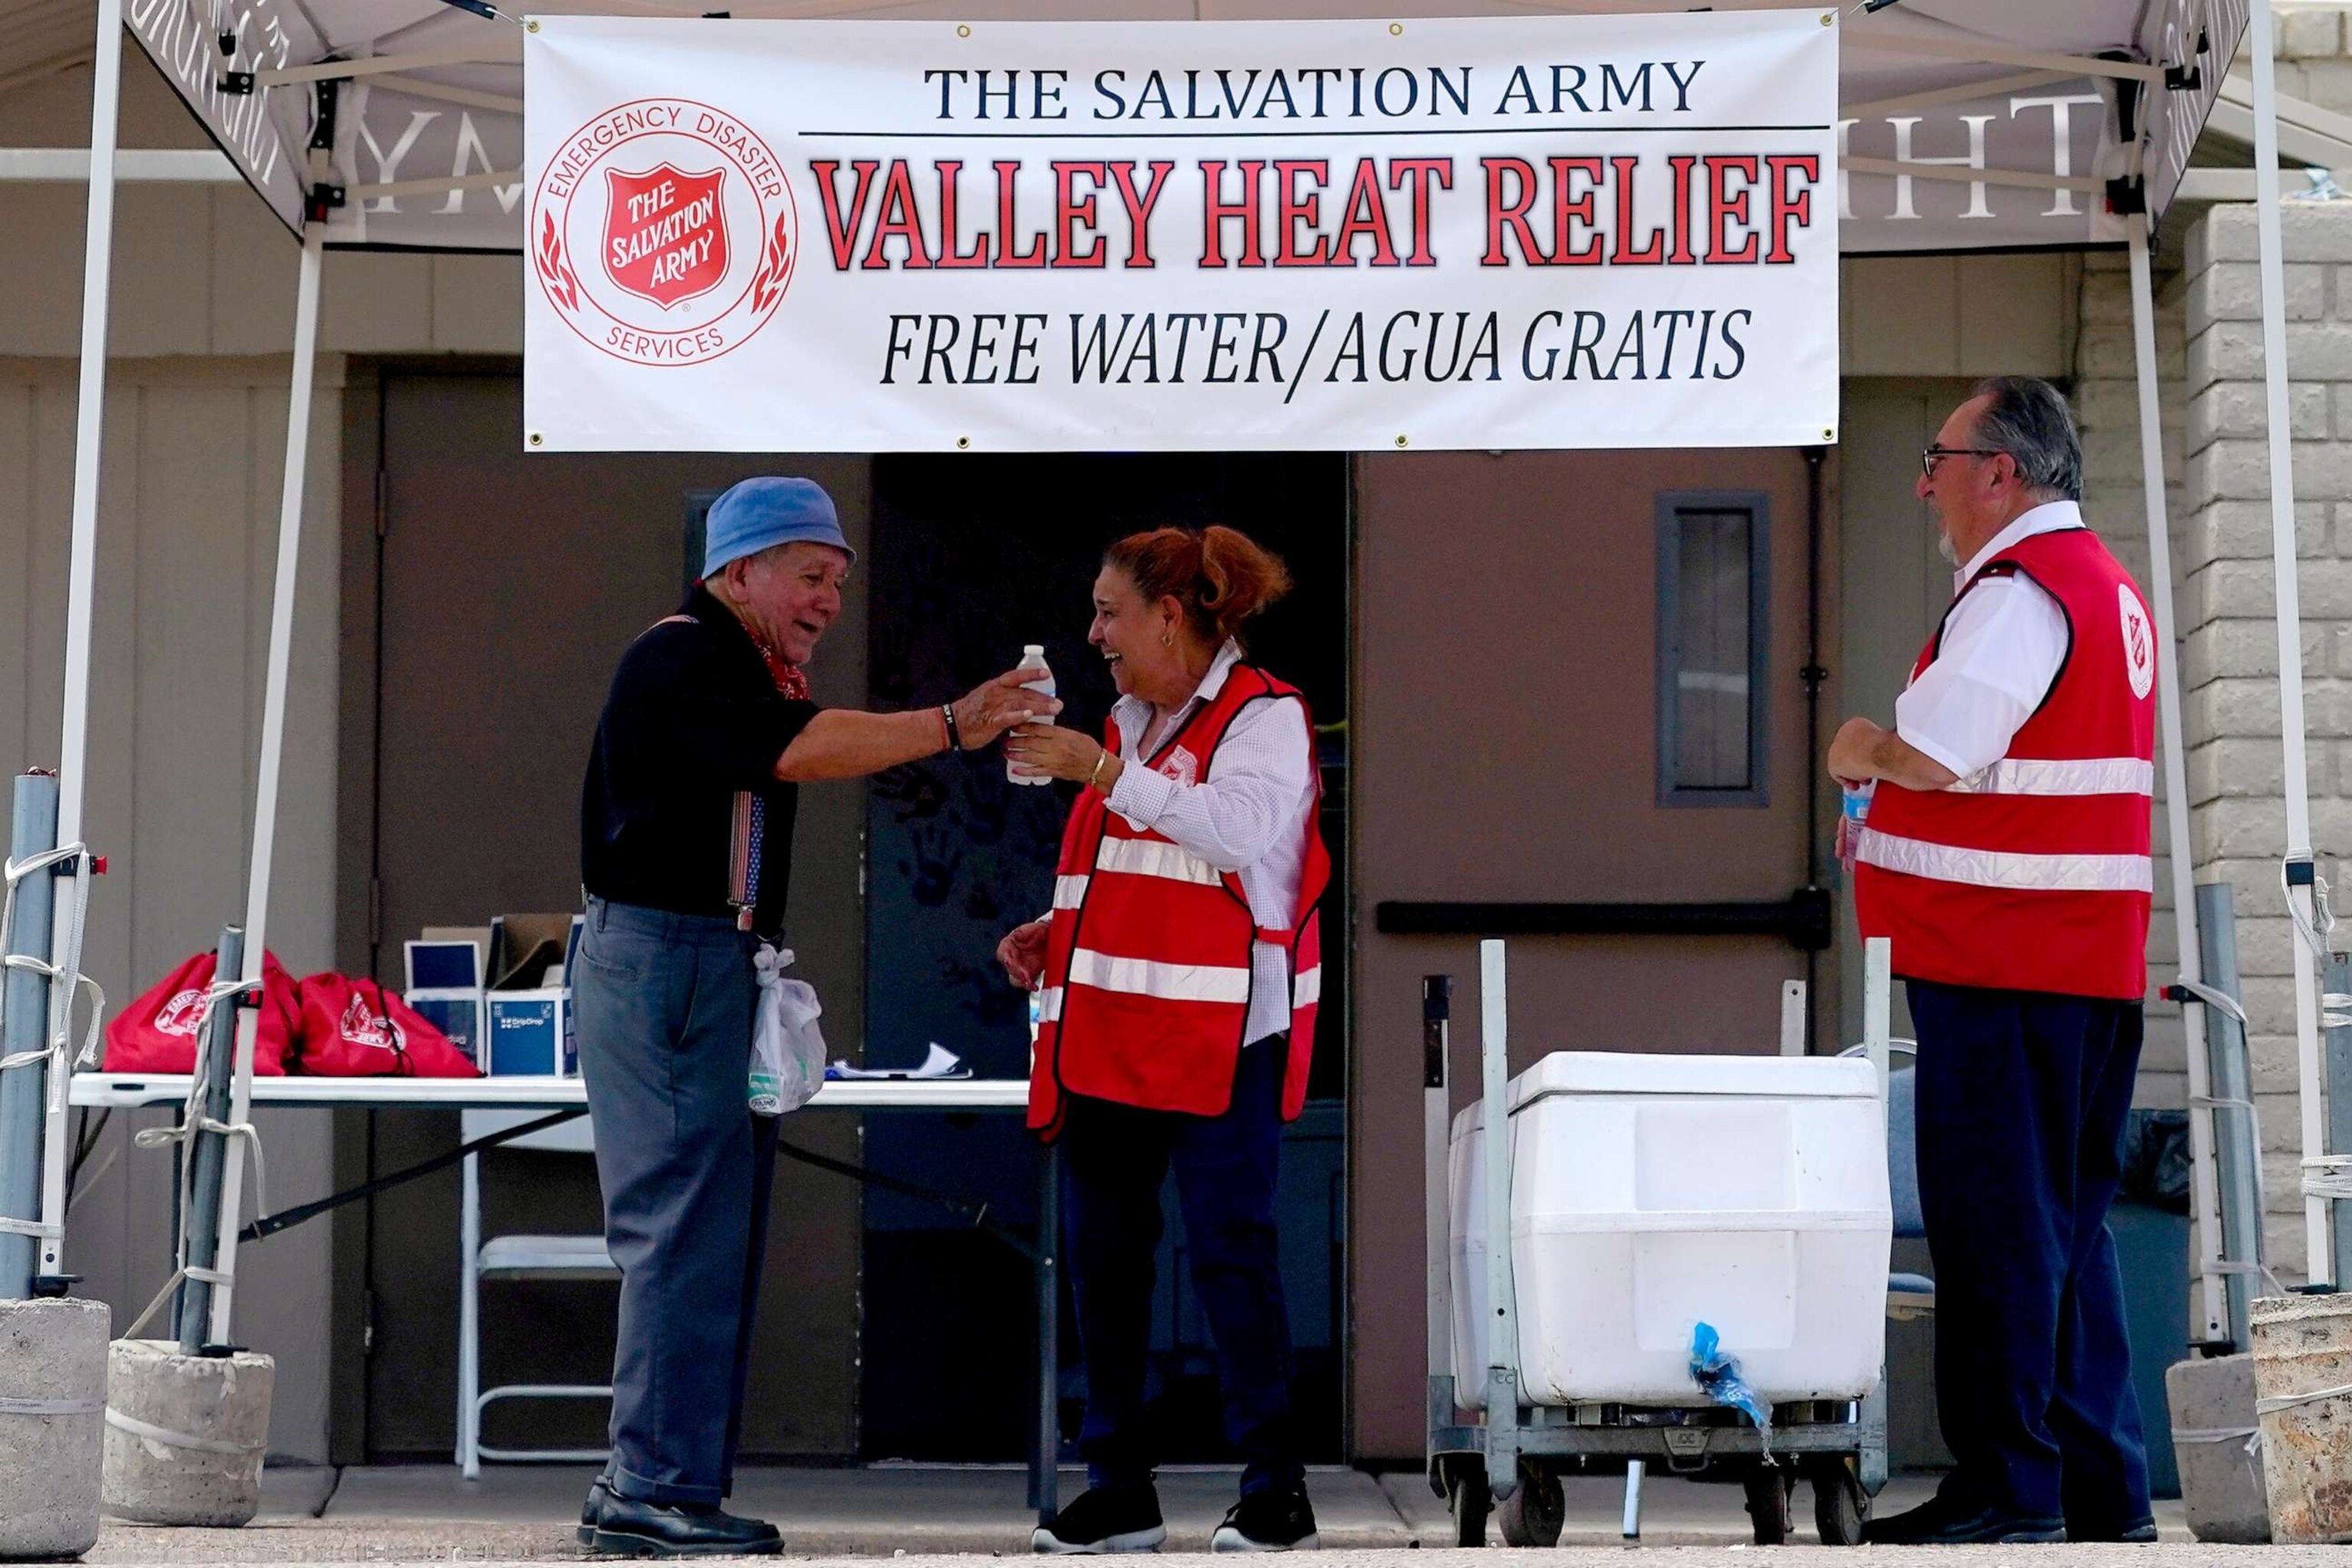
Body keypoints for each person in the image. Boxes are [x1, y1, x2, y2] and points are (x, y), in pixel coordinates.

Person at [574, 475, 1057, 1557]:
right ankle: (651, 1484)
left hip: (702, 962)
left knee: (710, 1239)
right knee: (684, 1233)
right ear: (737, 571)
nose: (829, 598)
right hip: (668, 964)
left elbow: (791, 737)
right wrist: (955, 722)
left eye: (837, 579)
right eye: (810, 573)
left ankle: (669, 1484)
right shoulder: (683, 655)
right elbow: (797, 749)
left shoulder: (733, 668)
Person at [1830, 378, 2158, 1546]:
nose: (1924, 480)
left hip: (2004, 959)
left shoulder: (2019, 592)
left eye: (1939, 457)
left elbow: (1940, 752)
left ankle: (2009, 1490)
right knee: (2066, 1233)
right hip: (2077, 961)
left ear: (2000, 473)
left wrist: (1863, 742)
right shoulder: (2105, 591)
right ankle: (2098, 1487)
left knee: (1997, 1233)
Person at [997, 525, 1329, 1556]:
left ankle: (1275, 1488)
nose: (1093, 632)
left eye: (1109, 611)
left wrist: (1100, 770)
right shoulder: (1129, 720)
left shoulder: (1265, 717)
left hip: (1229, 1028)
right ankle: (1119, 1483)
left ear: (1170, 617)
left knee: (1232, 1253)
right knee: (1109, 1260)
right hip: (1120, 1023)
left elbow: (1232, 835)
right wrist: (1064, 929)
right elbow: (1152, 867)